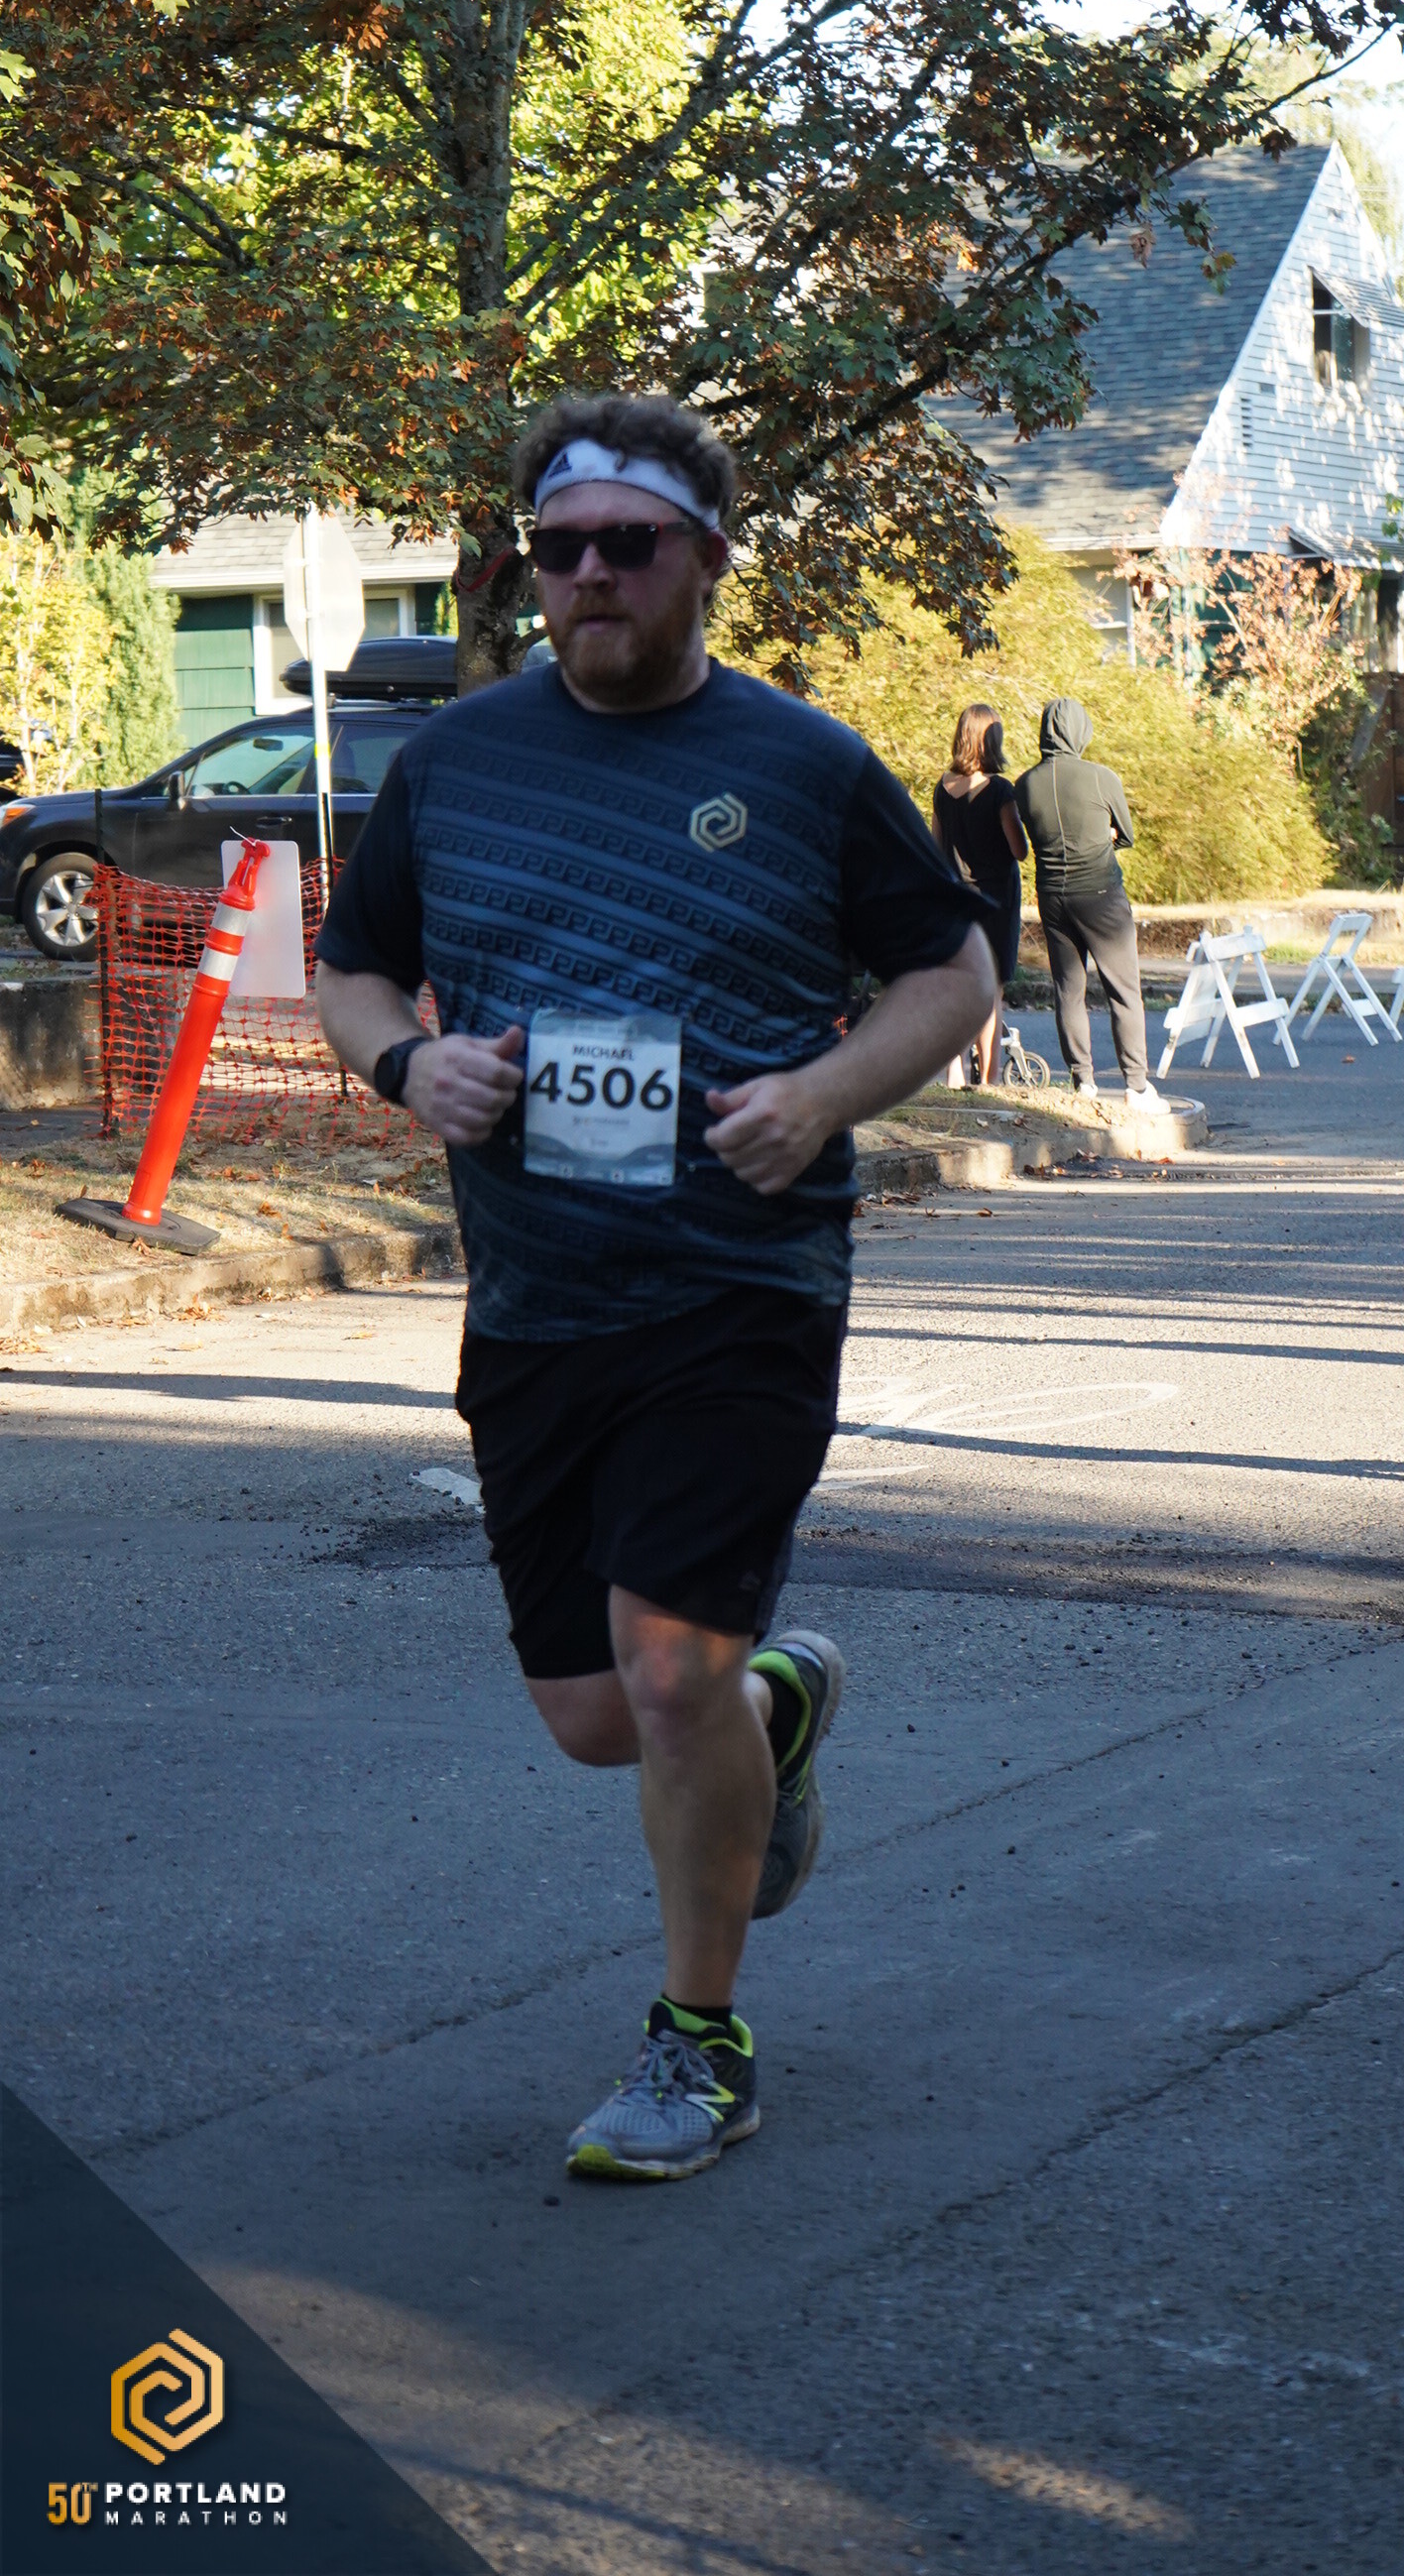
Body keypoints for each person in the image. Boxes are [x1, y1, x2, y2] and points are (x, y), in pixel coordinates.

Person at [313, 391, 994, 2179]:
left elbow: (953, 973)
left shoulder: (802, 763)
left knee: (666, 1672)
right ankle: (775, 1708)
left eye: (628, 543)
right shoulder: (457, 762)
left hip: (740, 1281)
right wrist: (410, 1067)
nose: (590, 574)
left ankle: (700, 2044)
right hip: (535, 1297)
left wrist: (824, 1096)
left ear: (706, 557)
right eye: (558, 548)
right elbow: (353, 969)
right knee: (594, 1716)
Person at [1011, 696, 1161, 1108]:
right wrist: (1104, 835)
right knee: (1124, 991)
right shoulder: (1101, 777)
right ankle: (1136, 1086)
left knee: (1068, 990)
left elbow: (1031, 838)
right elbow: (1126, 835)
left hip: (1052, 898)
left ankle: (1083, 1083)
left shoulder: (1023, 785)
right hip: (1101, 896)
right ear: (1080, 731)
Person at [932, 703, 1027, 1086]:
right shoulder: (1001, 791)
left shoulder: (942, 788)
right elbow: (1019, 849)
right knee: (991, 989)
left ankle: (954, 1072)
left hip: (956, 899)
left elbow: (935, 848)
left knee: (959, 985)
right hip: (996, 899)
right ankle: (988, 1077)